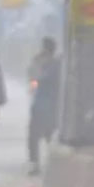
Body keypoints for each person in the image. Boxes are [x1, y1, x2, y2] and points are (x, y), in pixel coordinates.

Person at [27, 37, 61, 175]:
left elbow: (37, 79)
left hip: (47, 105)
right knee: (44, 135)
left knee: (41, 136)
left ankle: (39, 164)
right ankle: (38, 164)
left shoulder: (54, 64)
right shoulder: (52, 63)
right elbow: (32, 79)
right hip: (46, 105)